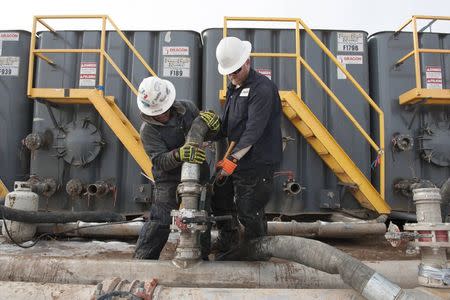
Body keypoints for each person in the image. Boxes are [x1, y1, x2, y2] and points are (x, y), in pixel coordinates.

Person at [133, 76, 220, 260]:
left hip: (197, 172)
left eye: (164, 111)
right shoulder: (147, 130)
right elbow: (160, 161)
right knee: (161, 220)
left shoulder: (187, 108)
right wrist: (180, 154)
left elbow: (204, 133)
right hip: (168, 177)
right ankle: (142, 261)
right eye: (157, 113)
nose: (162, 115)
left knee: (202, 215)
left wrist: (213, 126)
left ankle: (201, 257)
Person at [211, 36, 283, 254]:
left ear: (248, 62)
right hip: (238, 159)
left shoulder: (262, 89)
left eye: (236, 70)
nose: (232, 76)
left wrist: (232, 159)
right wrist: (208, 132)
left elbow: (253, 130)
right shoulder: (235, 87)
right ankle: (229, 239)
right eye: (229, 72)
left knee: (248, 209)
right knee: (218, 196)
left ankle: (257, 251)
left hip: (257, 161)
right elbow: (228, 125)